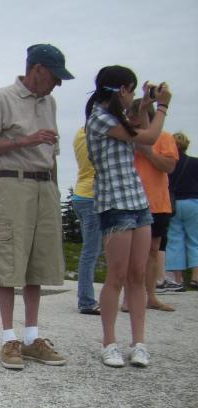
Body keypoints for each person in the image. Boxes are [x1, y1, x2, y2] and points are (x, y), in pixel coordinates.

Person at [0, 44, 72, 370]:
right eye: (55, 76)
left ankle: (31, 339)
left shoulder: (51, 102)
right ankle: (8, 340)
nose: (57, 84)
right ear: (38, 69)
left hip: (45, 187)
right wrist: (24, 141)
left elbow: (53, 151)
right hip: (12, 183)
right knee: (9, 263)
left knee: (37, 264)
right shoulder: (1, 98)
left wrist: (55, 191)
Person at [85, 66, 172, 368]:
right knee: (117, 276)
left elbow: (141, 133)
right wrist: (162, 107)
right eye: (132, 91)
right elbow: (148, 135)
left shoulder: (117, 118)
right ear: (121, 90)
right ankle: (109, 342)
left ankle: (139, 343)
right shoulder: (100, 119)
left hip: (137, 201)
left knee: (138, 275)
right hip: (115, 203)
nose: (133, 96)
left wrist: (146, 107)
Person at [129, 99, 178, 311]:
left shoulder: (165, 138)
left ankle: (151, 296)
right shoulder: (126, 137)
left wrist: (148, 152)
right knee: (129, 251)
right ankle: (129, 298)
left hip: (158, 203)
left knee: (152, 251)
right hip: (130, 201)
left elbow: (169, 166)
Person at [72, 127, 102, 315]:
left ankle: (86, 298)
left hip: (80, 194)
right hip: (94, 195)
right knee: (91, 253)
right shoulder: (103, 132)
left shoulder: (80, 133)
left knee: (90, 252)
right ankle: (86, 300)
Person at [165, 131, 198, 290]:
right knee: (195, 241)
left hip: (173, 204)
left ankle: (176, 280)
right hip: (193, 203)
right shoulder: (195, 162)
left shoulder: (169, 163)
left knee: (174, 241)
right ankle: (196, 277)